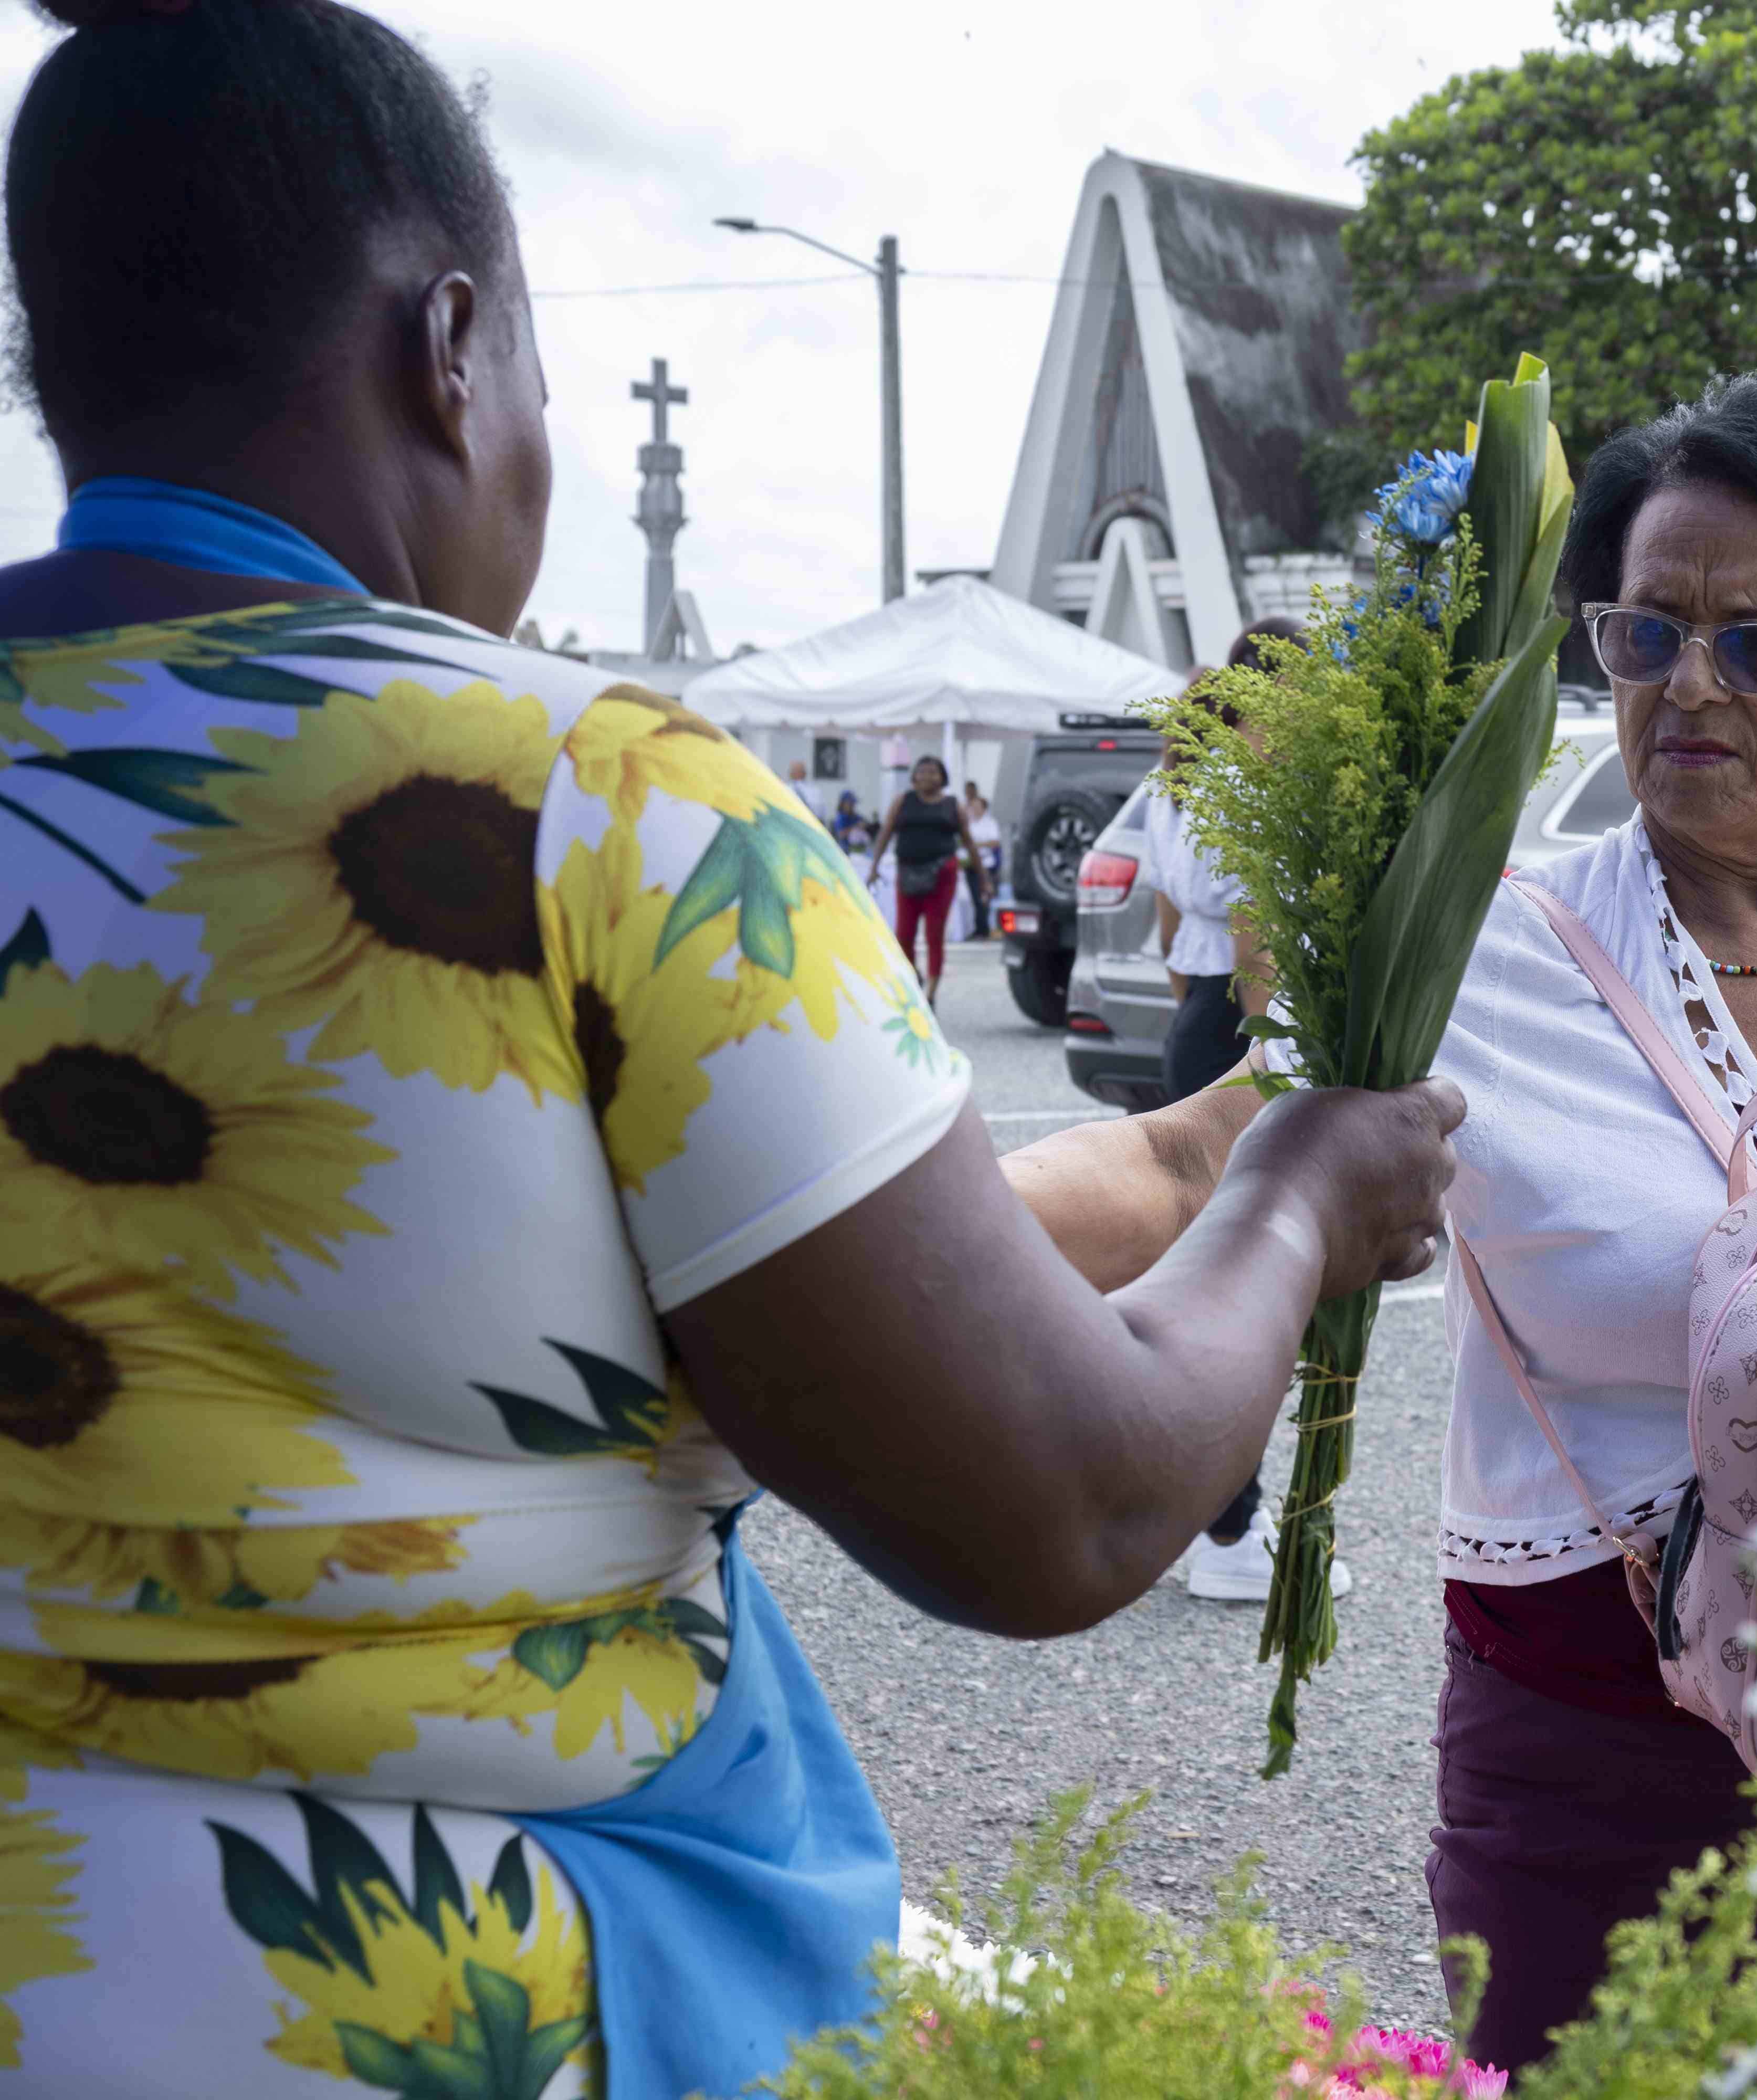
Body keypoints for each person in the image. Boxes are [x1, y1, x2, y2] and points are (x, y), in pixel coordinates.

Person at [0, 7, 1461, 2094]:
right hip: (438, 2014)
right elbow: (1057, 1504)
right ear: (452, 348)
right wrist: (1303, 1196)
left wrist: (1182, 1160)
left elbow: (599, 1294)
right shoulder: (591, 804)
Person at [1008, 374, 1757, 2067]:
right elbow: (1188, 1161)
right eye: (1643, 635)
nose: (1684, 689)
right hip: (1604, 1735)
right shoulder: (1484, 954)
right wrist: (891, 1227)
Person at [1141, 619, 1335, 1601]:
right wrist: (1273, 1056)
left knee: (1195, 1280)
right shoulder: (1252, 779)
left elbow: (1173, 926)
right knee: (1253, 1289)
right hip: (1243, 1034)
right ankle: (1233, 1534)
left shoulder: (1177, 775)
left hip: (1192, 1026)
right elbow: (1259, 931)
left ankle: (1214, 1524)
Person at [867, 753, 967, 1001]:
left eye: (933, 772)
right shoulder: (902, 801)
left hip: (942, 875)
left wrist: (985, 879)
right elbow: (886, 833)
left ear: (942, 777)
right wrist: (874, 866)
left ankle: (931, 993)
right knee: (904, 934)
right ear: (914, 777)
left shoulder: (953, 805)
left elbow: (969, 842)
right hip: (908, 874)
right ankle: (914, 976)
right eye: (922, 772)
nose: (927, 776)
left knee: (935, 935)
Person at [963, 780, 1002, 941]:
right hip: (971, 864)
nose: (975, 810)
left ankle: (984, 930)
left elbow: (995, 842)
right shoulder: (969, 823)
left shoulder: (990, 823)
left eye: (978, 807)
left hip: (986, 865)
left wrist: (976, 845)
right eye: (973, 807)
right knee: (974, 898)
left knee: (984, 897)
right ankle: (978, 928)